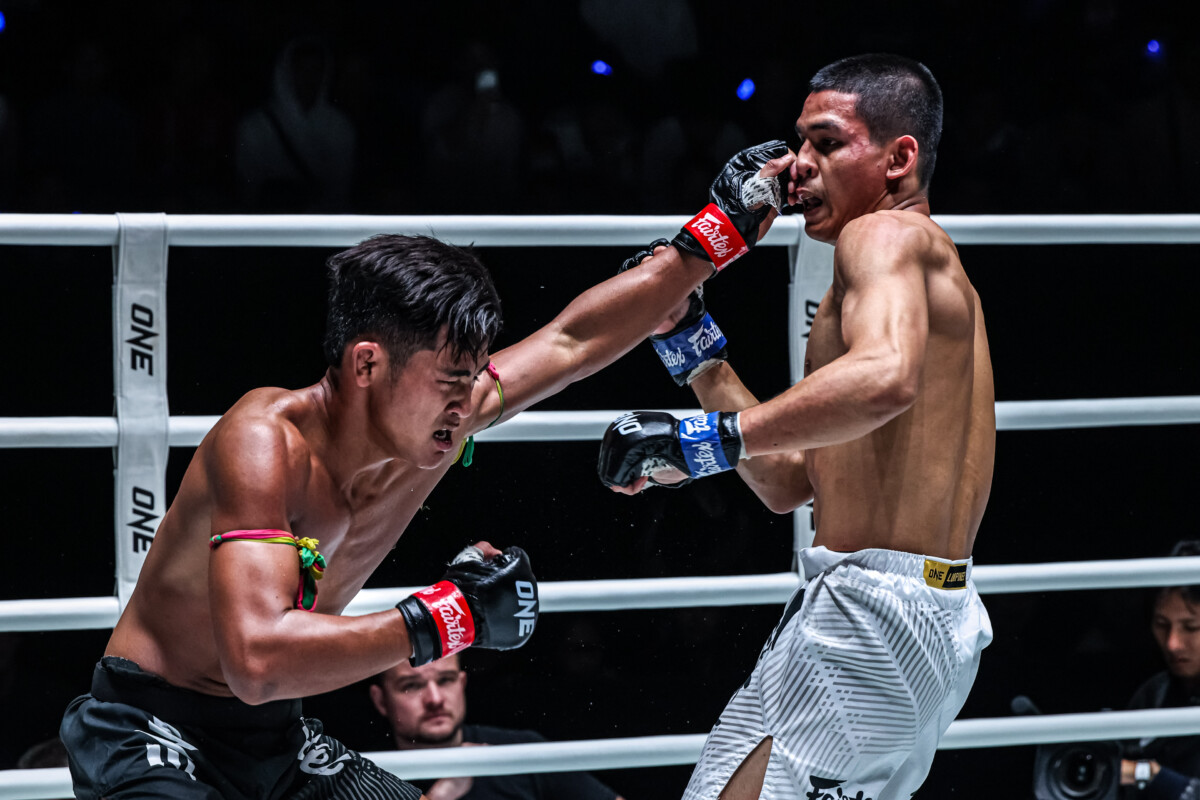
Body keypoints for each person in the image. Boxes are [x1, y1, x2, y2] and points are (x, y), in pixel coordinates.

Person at [59, 138, 794, 800]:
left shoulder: (446, 416)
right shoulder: (263, 444)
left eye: (472, 379)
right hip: (152, 730)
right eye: (448, 381)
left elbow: (570, 343)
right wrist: (449, 616)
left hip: (274, 738)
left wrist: (715, 235)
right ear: (368, 364)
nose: (465, 404)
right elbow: (255, 663)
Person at [598, 53, 995, 800]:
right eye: (800, 142)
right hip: (919, 619)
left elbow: (886, 378)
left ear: (899, 159)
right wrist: (690, 343)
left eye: (828, 143)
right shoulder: (921, 267)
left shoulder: (884, 238)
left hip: (869, 625)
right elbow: (788, 482)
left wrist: (701, 444)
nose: (797, 166)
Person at [369, 654, 624, 800]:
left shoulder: (518, 753)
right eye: (412, 686)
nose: (435, 699)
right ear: (381, 700)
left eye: (446, 680)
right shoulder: (366, 776)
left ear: (462, 684)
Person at [1120, 541, 1200, 798]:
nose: (1172, 643)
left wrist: (1150, 775)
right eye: (1162, 624)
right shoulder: (1153, 693)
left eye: (1191, 627)